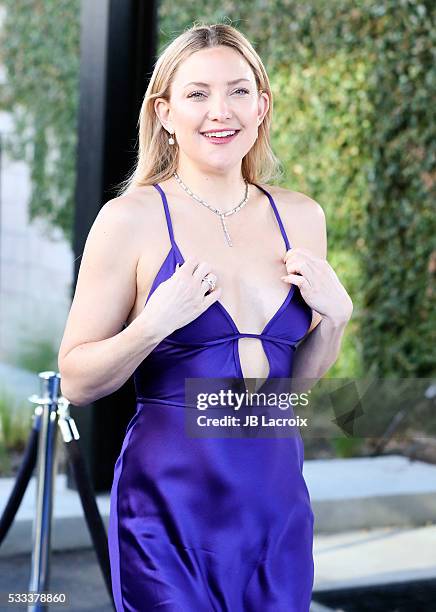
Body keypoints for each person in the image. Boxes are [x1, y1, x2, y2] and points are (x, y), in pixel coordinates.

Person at [58, 23, 353, 612]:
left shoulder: (302, 216)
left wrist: (337, 319)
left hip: (275, 510)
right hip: (168, 514)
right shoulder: (130, 220)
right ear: (164, 113)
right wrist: (152, 324)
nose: (221, 111)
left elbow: (293, 393)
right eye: (197, 94)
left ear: (263, 105)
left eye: (239, 91)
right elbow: (77, 381)